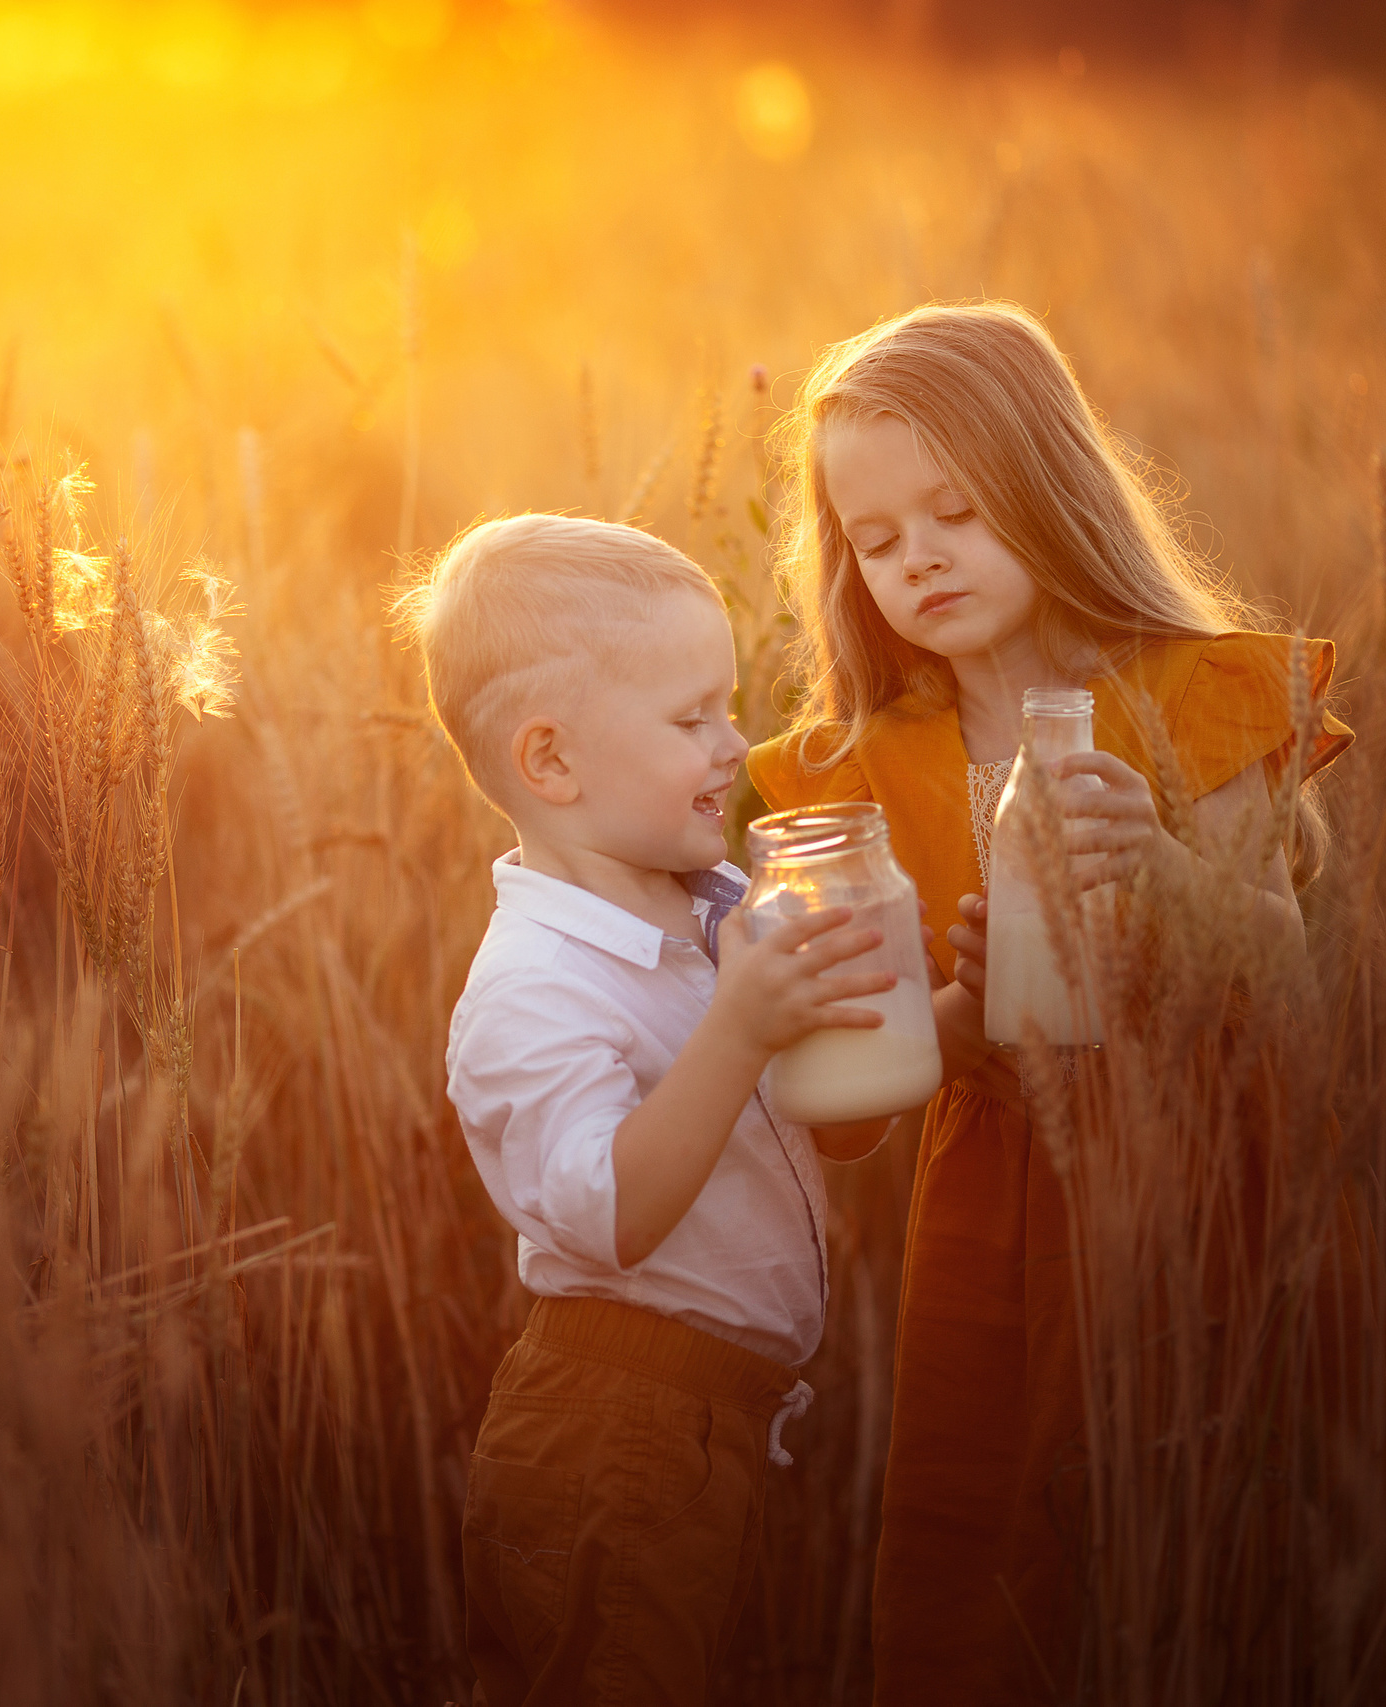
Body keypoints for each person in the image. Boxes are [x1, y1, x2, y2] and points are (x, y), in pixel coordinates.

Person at [746, 302, 1360, 1701]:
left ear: (1048, 485)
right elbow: (864, 1099)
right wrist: (950, 1008)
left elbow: (1289, 973)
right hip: (996, 1217)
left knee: (1212, 1532)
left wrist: (1159, 866)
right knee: (1002, 1556)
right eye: (877, 538)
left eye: (957, 510)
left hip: (1211, 1177)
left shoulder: (1194, 697)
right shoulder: (853, 774)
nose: (919, 559)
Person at [400, 513, 913, 1706]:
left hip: (720, 1427)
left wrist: (945, 1006)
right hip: (611, 1429)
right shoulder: (533, 984)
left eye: (727, 706)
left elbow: (832, 1118)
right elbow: (610, 1214)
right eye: (692, 720)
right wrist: (741, 1021)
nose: (737, 744)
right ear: (552, 764)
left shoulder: (716, 902)